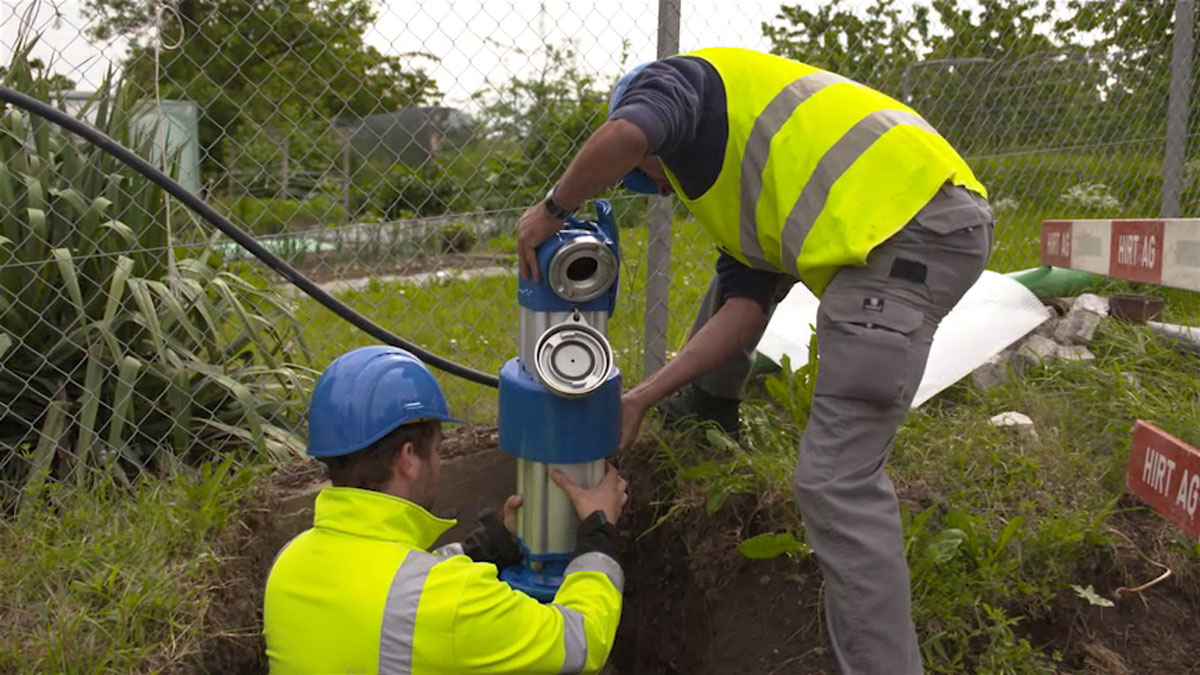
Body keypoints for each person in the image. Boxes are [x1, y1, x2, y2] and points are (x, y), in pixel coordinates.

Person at [516, 47, 994, 674]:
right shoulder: (751, 193)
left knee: (836, 483)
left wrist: (550, 213)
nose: (658, 188)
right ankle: (707, 408)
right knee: (827, 464)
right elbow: (741, 314)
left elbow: (626, 135)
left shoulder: (682, 83)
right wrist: (640, 399)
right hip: (914, 226)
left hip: (902, 232)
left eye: (645, 176)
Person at [263, 345, 628, 674]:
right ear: (408, 459)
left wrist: (487, 548)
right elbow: (580, 640)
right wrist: (599, 534)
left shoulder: (289, 564)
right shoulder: (449, 601)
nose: (438, 463)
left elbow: (391, 590)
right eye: (438, 450)